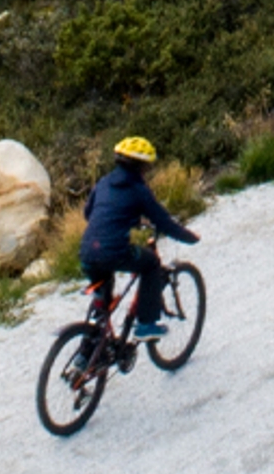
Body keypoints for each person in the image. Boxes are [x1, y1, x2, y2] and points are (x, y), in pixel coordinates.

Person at [81, 135, 198, 343]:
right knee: (151, 264)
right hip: (114, 252)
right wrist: (189, 237)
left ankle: (87, 355)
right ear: (141, 167)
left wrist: (122, 220)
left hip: (87, 252)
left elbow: (88, 214)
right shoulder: (138, 190)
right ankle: (146, 324)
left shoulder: (103, 183)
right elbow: (163, 222)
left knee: (103, 301)